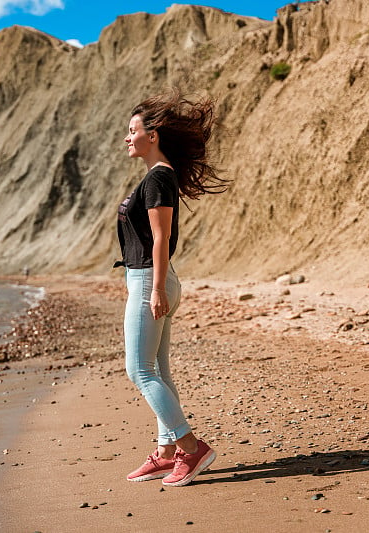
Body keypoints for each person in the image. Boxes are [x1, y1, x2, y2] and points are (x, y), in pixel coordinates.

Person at [116, 90, 228, 487]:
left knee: (139, 370)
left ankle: (191, 447)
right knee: (158, 369)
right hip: (148, 278)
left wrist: (156, 288)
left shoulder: (159, 176)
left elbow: (161, 238)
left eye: (133, 131)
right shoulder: (155, 176)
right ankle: (166, 452)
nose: (127, 138)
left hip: (152, 278)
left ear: (154, 135)